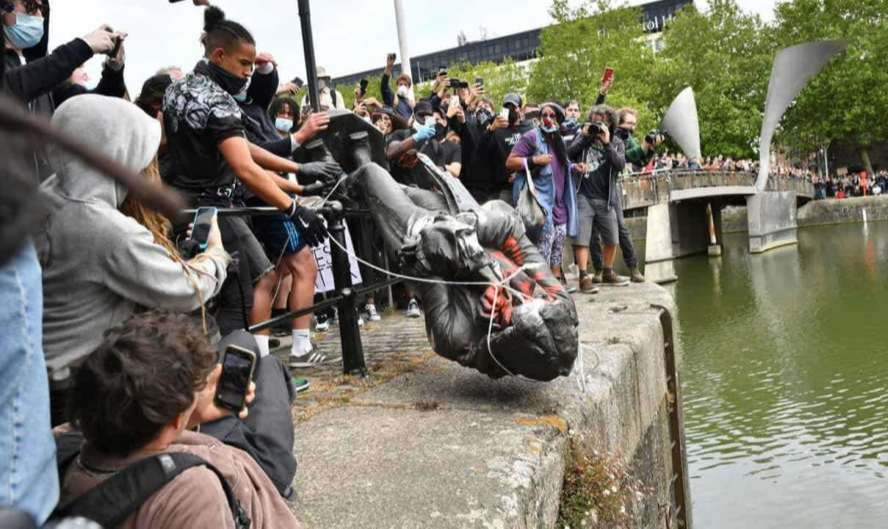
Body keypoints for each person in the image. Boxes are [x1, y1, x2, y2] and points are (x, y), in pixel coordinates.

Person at [36, 95, 231, 424]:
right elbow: (184, 289)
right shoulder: (104, 228)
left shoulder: (43, 198)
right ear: (118, 154)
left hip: (36, 382)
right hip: (80, 389)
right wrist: (216, 255)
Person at [162, 6, 337, 351]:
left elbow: (238, 149)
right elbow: (244, 167)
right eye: (244, 64)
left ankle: (235, 367)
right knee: (248, 287)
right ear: (219, 55)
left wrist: (298, 170)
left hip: (178, 205)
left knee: (213, 289)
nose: (247, 74)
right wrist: (294, 208)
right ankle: (247, 370)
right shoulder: (219, 101)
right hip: (215, 210)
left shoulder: (176, 91)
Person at [58, 310, 301, 528]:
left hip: (187, 439)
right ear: (174, 419)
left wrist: (191, 412)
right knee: (270, 366)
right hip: (258, 472)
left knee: (244, 341)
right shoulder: (191, 491)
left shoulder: (64, 443)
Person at [506, 102, 580, 284]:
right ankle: (540, 284)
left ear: (558, 120)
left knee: (559, 240)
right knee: (545, 242)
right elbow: (511, 162)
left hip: (560, 201)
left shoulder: (559, 140)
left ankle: (555, 281)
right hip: (540, 200)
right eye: (544, 115)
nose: (547, 119)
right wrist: (534, 160)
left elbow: (562, 165)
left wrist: (575, 167)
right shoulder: (531, 137)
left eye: (552, 116)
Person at [591, 106, 658, 284]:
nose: (632, 127)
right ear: (618, 122)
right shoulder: (608, 135)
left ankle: (633, 268)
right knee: (593, 232)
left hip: (611, 188)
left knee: (622, 228)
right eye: (629, 123)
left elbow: (640, 160)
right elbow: (625, 157)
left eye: (634, 124)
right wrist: (642, 147)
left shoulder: (628, 138)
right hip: (594, 186)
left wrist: (651, 148)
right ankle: (599, 270)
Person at [568, 105, 629, 291]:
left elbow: (619, 165)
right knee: (582, 237)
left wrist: (607, 143)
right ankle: (584, 276)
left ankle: (608, 272)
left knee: (612, 238)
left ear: (610, 123)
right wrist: (585, 137)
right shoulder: (584, 137)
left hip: (606, 197)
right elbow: (569, 154)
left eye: (602, 121)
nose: (598, 125)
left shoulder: (617, 141)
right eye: (595, 120)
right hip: (583, 194)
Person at [380, 52, 414, 119]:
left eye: (405, 85)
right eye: (401, 84)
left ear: (408, 88)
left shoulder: (410, 104)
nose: (403, 86)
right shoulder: (392, 98)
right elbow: (384, 86)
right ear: (397, 86)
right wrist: (389, 67)